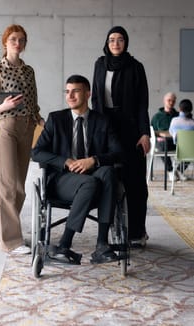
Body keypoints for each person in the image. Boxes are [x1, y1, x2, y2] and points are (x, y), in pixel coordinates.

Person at [31, 75, 123, 264]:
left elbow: (118, 152)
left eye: (76, 91)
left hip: (94, 176)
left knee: (108, 172)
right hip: (63, 180)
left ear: (88, 94)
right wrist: (65, 161)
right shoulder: (56, 119)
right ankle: (65, 244)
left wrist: (94, 160)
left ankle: (102, 245)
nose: (70, 95)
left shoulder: (102, 121)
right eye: (67, 91)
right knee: (89, 182)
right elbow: (36, 152)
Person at [0, 24, 44, 254]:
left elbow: (33, 101)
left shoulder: (29, 71)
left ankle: (12, 233)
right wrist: (5, 105)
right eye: (13, 39)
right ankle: (10, 241)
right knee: (7, 186)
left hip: (27, 127)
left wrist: (39, 119)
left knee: (19, 187)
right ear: (5, 42)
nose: (17, 44)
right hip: (6, 128)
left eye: (21, 40)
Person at [91, 26, 150, 248]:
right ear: (107, 43)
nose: (116, 43)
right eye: (112, 39)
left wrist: (145, 133)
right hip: (105, 126)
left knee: (135, 182)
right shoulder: (99, 64)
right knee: (108, 178)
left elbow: (142, 103)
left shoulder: (136, 67)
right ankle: (110, 229)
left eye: (120, 40)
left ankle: (137, 232)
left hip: (130, 128)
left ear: (126, 43)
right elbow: (96, 99)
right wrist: (94, 127)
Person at [151, 92, 179, 181]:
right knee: (164, 144)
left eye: (173, 101)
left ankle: (177, 170)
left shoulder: (178, 116)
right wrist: (159, 135)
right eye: (169, 100)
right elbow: (152, 132)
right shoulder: (157, 117)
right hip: (162, 143)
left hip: (176, 142)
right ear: (164, 101)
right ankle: (170, 170)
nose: (171, 102)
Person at [169, 99, 194, 180]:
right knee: (191, 152)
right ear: (191, 109)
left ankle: (175, 171)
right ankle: (179, 170)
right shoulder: (193, 123)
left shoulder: (174, 121)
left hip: (177, 149)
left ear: (179, 109)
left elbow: (170, 132)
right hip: (190, 151)